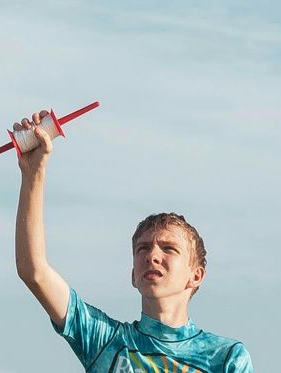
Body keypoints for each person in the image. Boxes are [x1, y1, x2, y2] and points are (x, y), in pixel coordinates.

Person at [13, 112, 252, 372]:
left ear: (196, 275)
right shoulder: (105, 340)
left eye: (169, 248)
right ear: (133, 275)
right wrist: (33, 173)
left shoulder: (225, 357)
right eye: (143, 249)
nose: (152, 256)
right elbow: (33, 271)